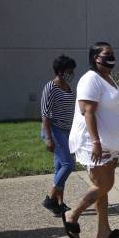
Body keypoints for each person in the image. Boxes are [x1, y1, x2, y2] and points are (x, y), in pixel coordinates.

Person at [62, 42, 119, 238]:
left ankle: (104, 231)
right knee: (104, 184)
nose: (112, 57)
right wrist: (96, 142)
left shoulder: (108, 78)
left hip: (111, 142)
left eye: (112, 53)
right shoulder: (90, 79)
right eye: (107, 54)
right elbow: (88, 112)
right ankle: (72, 214)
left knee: (102, 186)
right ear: (96, 58)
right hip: (94, 142)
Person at [40, 55, 77, 216]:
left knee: (59, 167)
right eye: (69, 71)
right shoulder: (50, 87)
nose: (71, 73)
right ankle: (50, 198)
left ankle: (59, 204)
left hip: (66, 131)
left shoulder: (68, 87)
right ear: (60, 71)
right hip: (54, 130)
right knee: (69, 164)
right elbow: (45, 114)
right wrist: (48, 138)